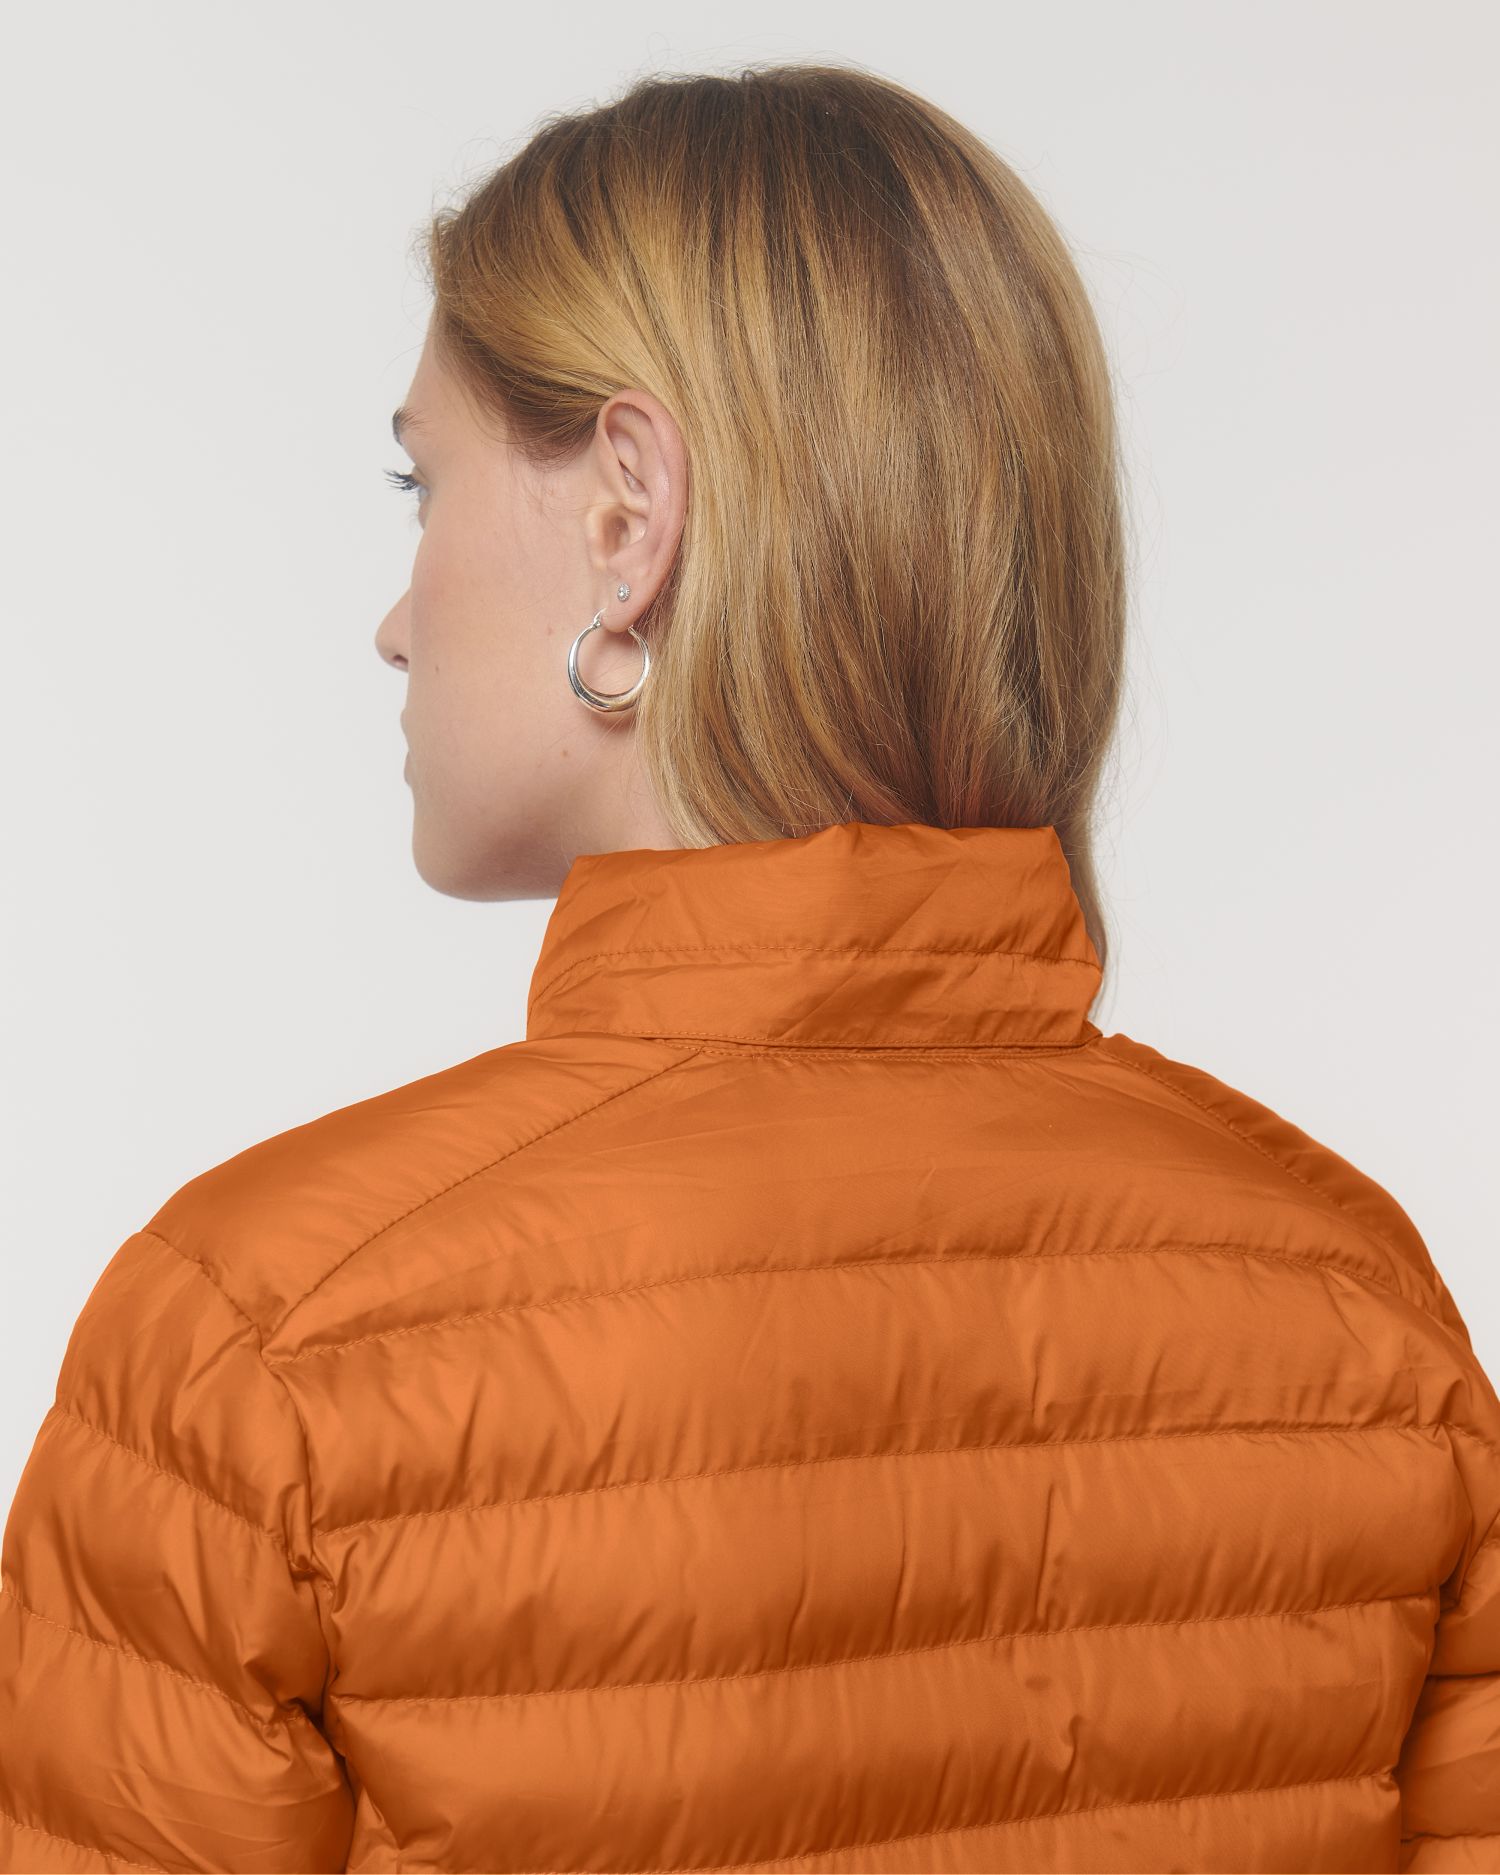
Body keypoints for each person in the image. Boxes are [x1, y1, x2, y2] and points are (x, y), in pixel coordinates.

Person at [0, 60, 1495, 1875]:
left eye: (422, 483)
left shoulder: (258, 1346)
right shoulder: (1361, 1311)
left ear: (629, 521)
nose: (395, 621)